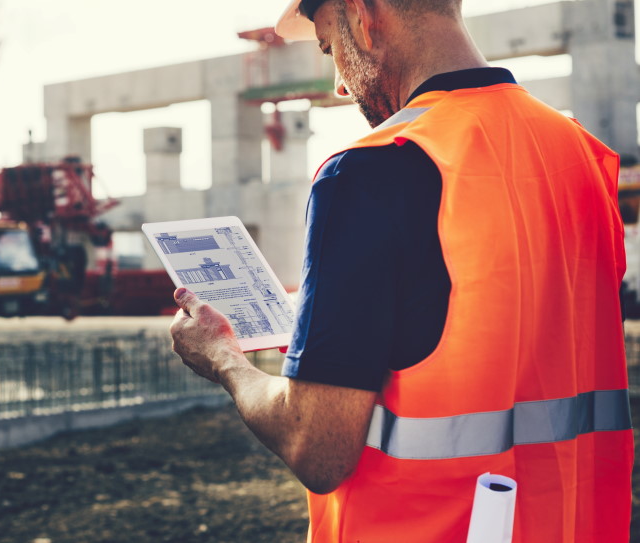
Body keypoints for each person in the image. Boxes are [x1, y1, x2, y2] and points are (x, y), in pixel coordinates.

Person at [168, 0, 634, 541]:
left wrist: (223, 357)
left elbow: (317, 447)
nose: (340, 85)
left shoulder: (369, 173)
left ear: (363, 17)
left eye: (330, 47)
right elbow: (506, 328)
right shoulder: (578, 153)